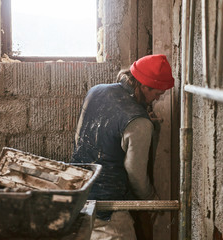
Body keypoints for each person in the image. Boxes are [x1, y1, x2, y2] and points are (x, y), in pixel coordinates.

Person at [70, 54, 174, 240]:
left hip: (77, 197)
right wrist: (151, 200)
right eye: (157, 93)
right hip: (109, 211)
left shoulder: (96, 91)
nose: (157, 99)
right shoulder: (139, 122)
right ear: (143, 85)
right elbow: (136, 174)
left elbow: (79, 138)